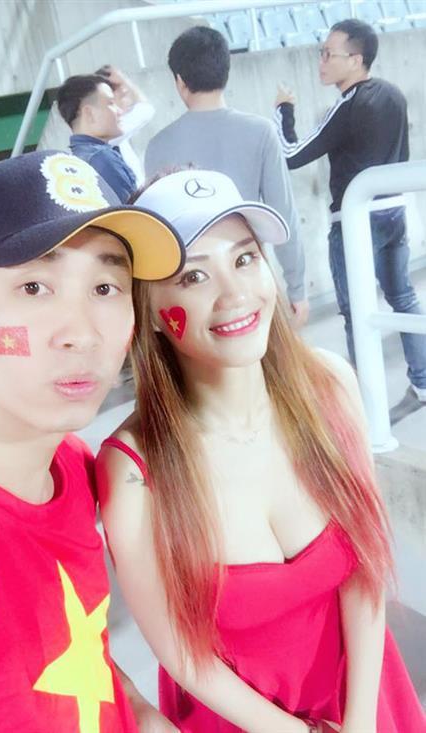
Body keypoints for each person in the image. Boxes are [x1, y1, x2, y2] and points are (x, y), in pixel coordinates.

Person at [96, 169, 426, 733]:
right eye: (194, 276)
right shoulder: (133, 472)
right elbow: (183, 655)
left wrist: (360, 721)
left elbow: (365, 568)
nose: (236, 295)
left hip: (365, 700)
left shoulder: (329, 387)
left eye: (245, 258)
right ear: (148, 310)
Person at [0, 150, 186, 732]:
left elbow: (76, 647)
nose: (82, 334)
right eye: (35, 286)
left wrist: (142, 714)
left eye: (106, 286)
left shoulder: (69, 462)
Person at [274, 18, 426, 403]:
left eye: (328, 54)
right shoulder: (393, 95)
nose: (321, 61)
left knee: (356, 313)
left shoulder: (349, 104)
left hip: (355, 223)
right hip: (394, 214)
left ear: (356, 60)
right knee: (403, 297)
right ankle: (424, 380)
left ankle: (367, 401)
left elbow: (291, 154)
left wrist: (283, 111)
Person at [145, 26, 309, 328]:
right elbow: (284, 215)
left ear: (180, 81)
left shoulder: (158, 146)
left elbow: (158, 234)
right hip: (249, 273)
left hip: (192, 290)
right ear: (226, 71)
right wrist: (297, 288)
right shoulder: (260, 131)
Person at [56, 75, 137, 203]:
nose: (119, 111)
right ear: (89, 113)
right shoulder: (101, 158)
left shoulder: (77, 160)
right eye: (111, 103)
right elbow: (133, 211)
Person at [95, 65, 155, 186]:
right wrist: (124, 80)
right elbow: (147, 110)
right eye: (123, 94)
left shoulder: (110, 131)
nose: (128, 99)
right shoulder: (110, 132)